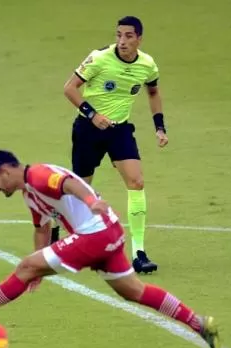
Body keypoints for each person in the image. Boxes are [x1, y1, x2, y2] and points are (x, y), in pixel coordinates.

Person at [0, 150, 220, 348]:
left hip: (94, 233)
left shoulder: (39, 176)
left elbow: (69, 185)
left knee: (26, 267)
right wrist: (37, 270)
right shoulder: (30, 194)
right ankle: (198, 323)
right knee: (134, 291)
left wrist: (92, 201)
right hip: (108, 231)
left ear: (5, 171)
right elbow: (42, 229)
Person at [61, 16, 167, 274]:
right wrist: (92, 115)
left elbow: (153, 92)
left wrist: (160, 127)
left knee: (137, 182)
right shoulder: (98, 58)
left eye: (128, 36)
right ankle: (59, 226)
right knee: (80, 188)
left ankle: (139, 253)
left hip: (119, 130)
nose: (122, 41)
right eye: (119, 35)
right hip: (88, 129)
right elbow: (70, 88)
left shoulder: (147, 64)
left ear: (139, 39)